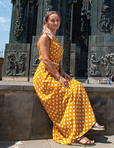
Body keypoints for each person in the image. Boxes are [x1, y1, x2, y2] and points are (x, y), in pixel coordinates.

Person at [33, 11, 104, 146]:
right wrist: (59, 77)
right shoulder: (44, 38)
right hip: (45, 76)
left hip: (55, 72)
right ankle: (76, 135)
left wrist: (63, 72)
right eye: (52, 20)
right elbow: (46, 60)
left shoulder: (54, 38)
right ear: (46, 22)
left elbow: (56, 59)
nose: (55, 23)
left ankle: (90, 121)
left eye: (57, 20)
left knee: (78, 86)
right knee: (69, 93)